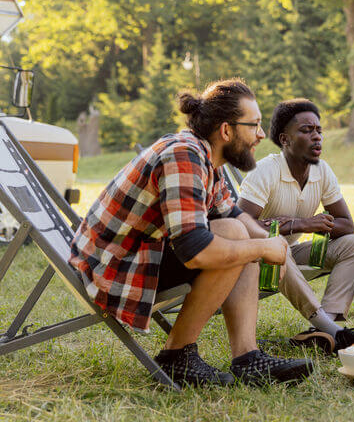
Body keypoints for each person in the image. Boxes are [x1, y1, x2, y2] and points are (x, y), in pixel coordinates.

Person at [69, 79, 313, 387]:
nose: (261, 136)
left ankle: (248, 359)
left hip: (140, 254)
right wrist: (262, 251)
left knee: (240, 232)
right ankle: (176, 357)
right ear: (226, 131)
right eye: (255, 126)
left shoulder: (206, 157)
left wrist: (270, 243)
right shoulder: (183, 156)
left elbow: (232, 213)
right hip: (115, 270)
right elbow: (196, 250)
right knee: (236, 237)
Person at [238, 99, 354, 354]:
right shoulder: (266, 171)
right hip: (252, 261)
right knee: (279, 247)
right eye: (306, 130)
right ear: (285, 139)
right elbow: (241, 226)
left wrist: (305, 226)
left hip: (289, 254)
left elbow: (347, 225)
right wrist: (300, 224)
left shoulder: (322, 171)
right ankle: (335, 332)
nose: (317, 137)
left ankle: (326, 330)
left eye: (319, 130)